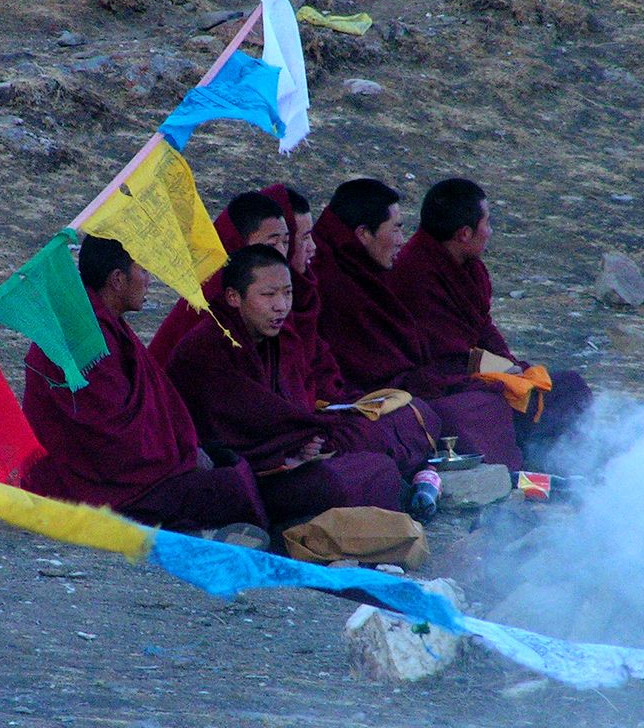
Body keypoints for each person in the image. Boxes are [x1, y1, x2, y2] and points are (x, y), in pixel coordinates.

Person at [167, 245, 438, 524]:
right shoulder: (206, 351)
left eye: (287, 293)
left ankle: (398, 484)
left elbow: (293, 406)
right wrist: (295, 445)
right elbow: (229, 434)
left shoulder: (276, 338)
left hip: (294, 454)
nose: (281, 305)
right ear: (234, 297)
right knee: (346, 478)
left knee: (410, 416)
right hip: (248, 476)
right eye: (269, 295)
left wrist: (305, 440)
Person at [20, 235, 269, 532]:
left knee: (228, 463)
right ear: (117, 280)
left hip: (126, 469)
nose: (149, 280)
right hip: (89, 488)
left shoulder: (101, 322)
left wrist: (187, 450)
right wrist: (181, 457)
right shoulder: (84, 337)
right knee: (230, 487)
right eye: (143, 271)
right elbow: (110, 437)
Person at [310, 178, 524, 470]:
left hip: (407, 392)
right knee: (463, 409)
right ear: (363, 234)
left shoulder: (373, 272)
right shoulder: (334, 284)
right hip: (362, 405)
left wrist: (506, 368)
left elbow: (474, 329)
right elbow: (375, 373)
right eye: (395, 228)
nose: (401, 239)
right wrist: (472, 380)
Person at [387, 177, 592, 463]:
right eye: (487, 223)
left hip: (473, 372)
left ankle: (562, 461)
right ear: (465, 234)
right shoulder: (415, 273)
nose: (490, 231)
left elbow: (483, 327)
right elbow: (444, 358)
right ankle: (520, 466)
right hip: (439, 385)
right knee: (484, 407)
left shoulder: (469, 267)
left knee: (569, 387)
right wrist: (499, 377)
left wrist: (512, 367)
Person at [148, 190, 291, 368]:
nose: (282, 253)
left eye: (286, 242)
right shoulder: (214, 297)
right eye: (271, 245)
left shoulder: (278, 286)